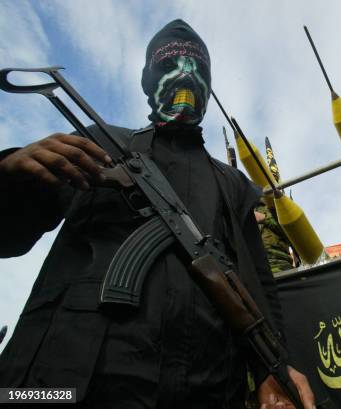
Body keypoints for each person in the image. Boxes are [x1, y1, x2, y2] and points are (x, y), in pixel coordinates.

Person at [0, 19, 314, 409]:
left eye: (198, 70)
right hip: (71, 374)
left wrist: (276, 367)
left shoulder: (232, 183)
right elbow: (7, 237)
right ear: (147, 82)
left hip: (207, 385)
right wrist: (10, 173)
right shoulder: (98, 144)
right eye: (169, 68)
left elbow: (257, 284)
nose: (186, 77)